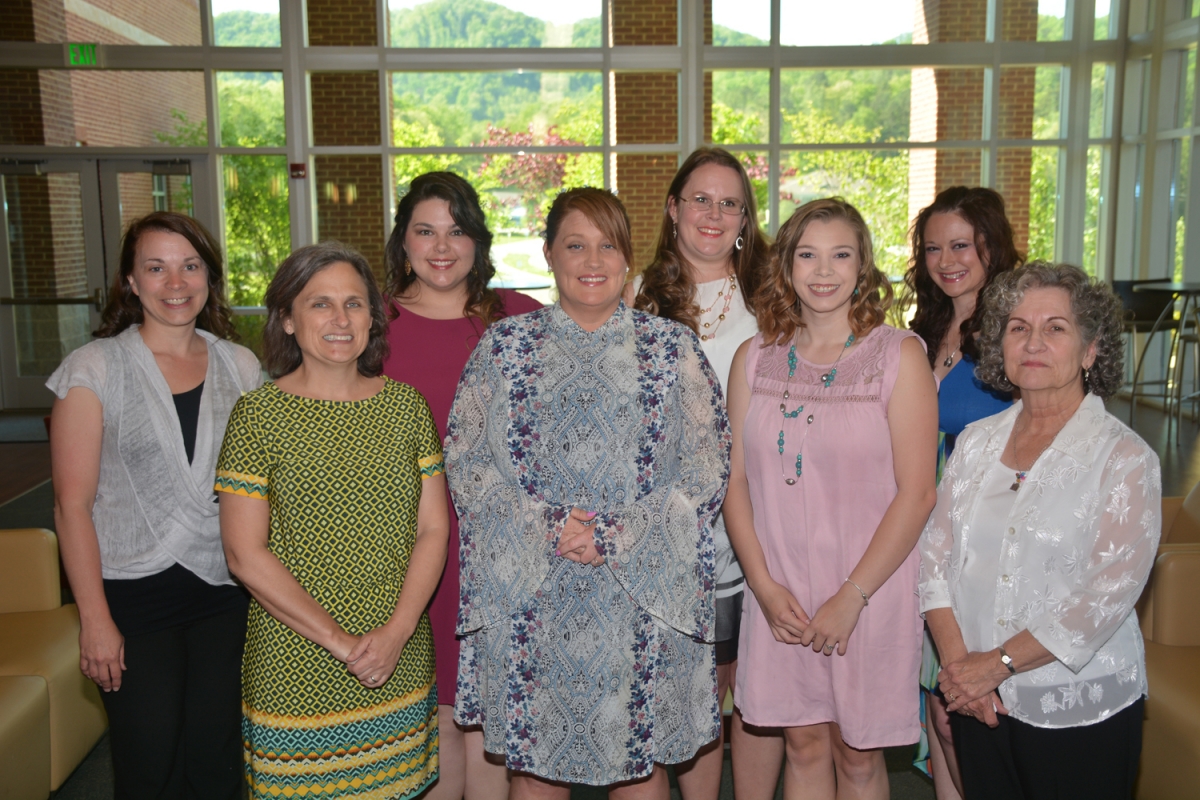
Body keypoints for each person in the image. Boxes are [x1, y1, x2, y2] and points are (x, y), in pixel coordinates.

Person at [445, 187, 731, 797]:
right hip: (531, 590)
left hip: (643, 591)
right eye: (575, 244)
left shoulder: (672, 348)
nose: (592, 259)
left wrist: (614, 535)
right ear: (548, 253)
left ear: (628, 259)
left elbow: (707, 465)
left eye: (607, 245)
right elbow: (467, 461)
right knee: (535, 771)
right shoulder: (503, 347)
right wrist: (549, 526)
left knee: (640, 768)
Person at [919, 262, 1160, 800]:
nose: (1033, 341)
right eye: (1018, 327)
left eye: (1056, 328)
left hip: (1076, 703)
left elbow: (1104, 596)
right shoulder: (976, 443)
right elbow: (935, 558)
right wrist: (961, 669)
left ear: (1091, 350)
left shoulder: (1124, 458)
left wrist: (994, 665)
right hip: (977, 699)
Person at [215, 243, 448, 799]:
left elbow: (433, 530)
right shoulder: (257, 415)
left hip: (399, 653)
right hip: (296, 660)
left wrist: (395, 633)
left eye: (355, 303)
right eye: (320, 304)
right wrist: (343, 644)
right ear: (289, 320)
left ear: (373, 317)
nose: (341, 320)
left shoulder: (406, 408)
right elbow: (245, 554)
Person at [726, 198, 938, 800]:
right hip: (780, 585)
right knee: (804, 743)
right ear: (787, 267)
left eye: (840, 254)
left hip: (869, 586)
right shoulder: (755, 359)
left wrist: (853, 595)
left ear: (863, 266)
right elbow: (734, 481)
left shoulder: (898, 356)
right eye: (808, 255)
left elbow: (917, 493)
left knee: (858, 755)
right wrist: (763, 588)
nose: (824, 271)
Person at [48, 211, 261, 798]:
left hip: (224, 593)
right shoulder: (94, 369)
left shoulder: (239, 367)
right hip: (131, 599)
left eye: (190, 266)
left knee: (216, 762)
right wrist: (94, 620)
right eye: (156, 267)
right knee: (147, 766)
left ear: (209, 278)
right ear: (131, 282)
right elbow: (72, 507)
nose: (176, 282)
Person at [382, 171, 541, 800]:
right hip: (413, 546)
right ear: (403, 242)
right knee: (440, 710)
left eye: (456, 231)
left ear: (478, 240)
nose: (441, 246)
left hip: (505, 547)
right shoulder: (371, 328)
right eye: (425, 230)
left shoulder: (523, 320)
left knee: (495, 716)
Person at [630, 146, 779, 800]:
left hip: (760, 520)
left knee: (747, 689)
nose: (713, 215)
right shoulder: (637, 296)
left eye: (729, 202)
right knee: (668, 696)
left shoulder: (776, 296)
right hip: (662, 529)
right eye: (700, 199)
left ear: (746, 217)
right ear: (673, 209)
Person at [904, 186, 1020, 797]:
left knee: (968, 710)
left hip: (986, 540)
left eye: (961, 245)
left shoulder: (1015, 332)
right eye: (932, 248)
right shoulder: (924, 329)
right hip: (921, 532)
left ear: (990, 246)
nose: (946, 259)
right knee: (936, 706)